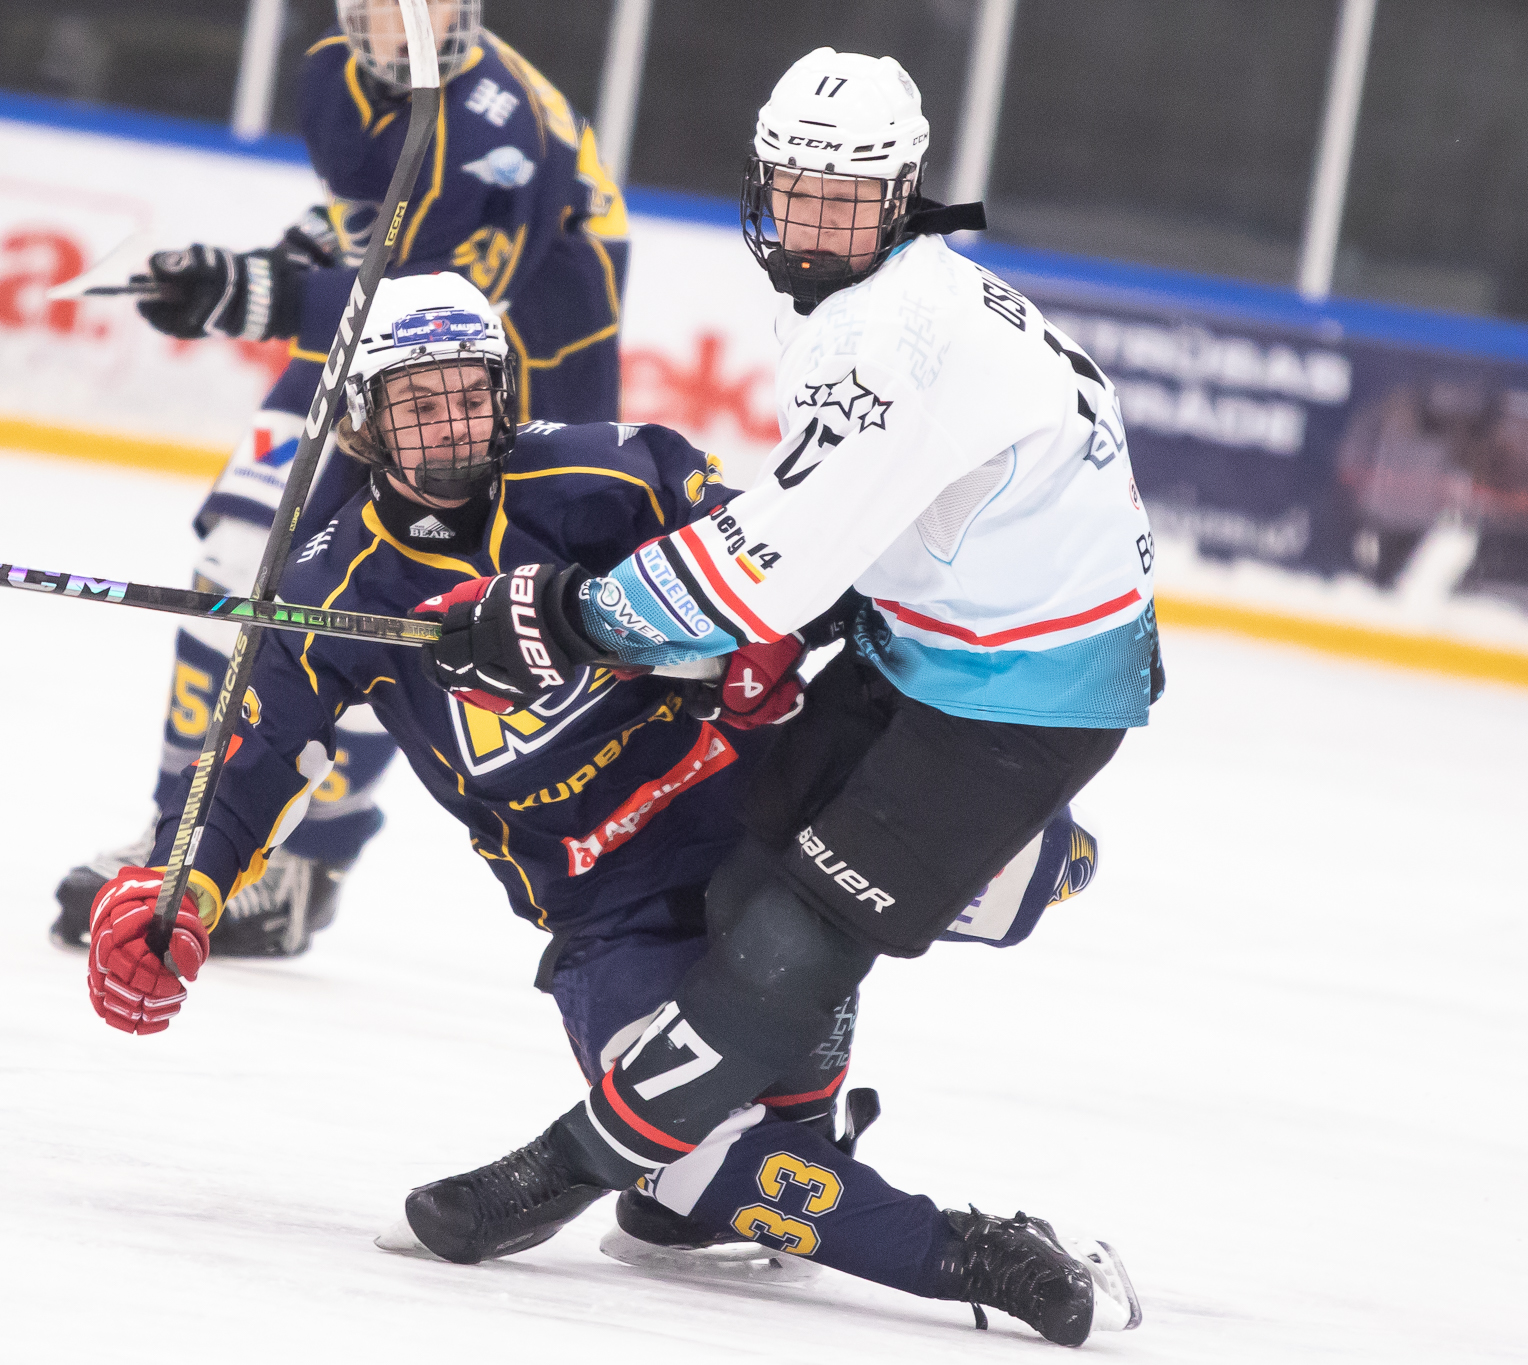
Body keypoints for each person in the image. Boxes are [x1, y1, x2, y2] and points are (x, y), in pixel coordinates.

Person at [83, 274, 1134, 1347]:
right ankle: (963, 1247)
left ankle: (801, 1102)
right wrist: (181, 891)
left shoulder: (608, 471)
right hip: (605, 908)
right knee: (687, 1168)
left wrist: (756, 646)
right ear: (363, 419)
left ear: (504, 391)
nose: (449, 426)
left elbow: (780, 569)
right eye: (415, 404)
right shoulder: (334, 584)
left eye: (466, 395)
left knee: (1009, 867)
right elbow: (251, 769)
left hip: (756, 810)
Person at [401, 49, 1159, 1345]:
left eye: (846, 199)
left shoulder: (882, 341)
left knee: (785, 944)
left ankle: (568, 1167)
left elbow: (769, 560)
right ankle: (777, 1154)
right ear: (765, 183)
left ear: (902, 194)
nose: (814, 223)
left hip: (1018, 697)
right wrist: (811, 604)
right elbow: (845, 527)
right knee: (755, 871)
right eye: (797, 193)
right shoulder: (878, 293)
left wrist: (576, 616)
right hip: (939, 635)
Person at [50, 0, 630, 957]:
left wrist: (257, 292)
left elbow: (442, 301)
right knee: (237, 549)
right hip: (369, 355)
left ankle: (303, 864)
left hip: (498, 378)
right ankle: (180, 843)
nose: (396, 15)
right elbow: (368, 219)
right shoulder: (331, 69)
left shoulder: (501, 126)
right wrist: (267, 265)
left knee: (382, 604)